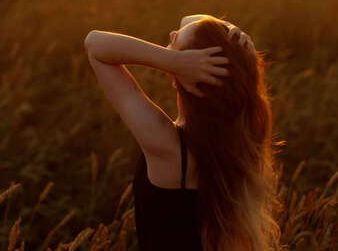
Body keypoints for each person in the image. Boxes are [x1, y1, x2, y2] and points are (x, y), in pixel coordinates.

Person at [84, 14, 282, 251]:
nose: (172, 33)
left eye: (175, 42)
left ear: (186, 70)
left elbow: (95, 44)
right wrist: (231, 32)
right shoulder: (242, 133)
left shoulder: (170, 149)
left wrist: (171, 61)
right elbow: (191, 19)